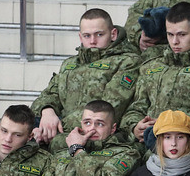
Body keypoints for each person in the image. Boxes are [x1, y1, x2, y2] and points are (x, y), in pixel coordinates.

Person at [32, 8, 140, 151]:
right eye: (87, 36)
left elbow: (109, 108)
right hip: (58, 134)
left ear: (113, 34)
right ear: (80, 37)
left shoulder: (127, 62)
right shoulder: (69, 64)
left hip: (96, 140)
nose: (93, 41)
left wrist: (54, 128)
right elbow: (49, 95)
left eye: (99, 34)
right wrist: (47, 112)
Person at [120, 2, 190, 143]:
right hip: (146, 143)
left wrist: (170, 124)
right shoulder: (151, 66)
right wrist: (135, 127)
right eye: (170, 34)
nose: (175, 41)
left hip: (188, 144)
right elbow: (136, 108)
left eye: (182, 34)